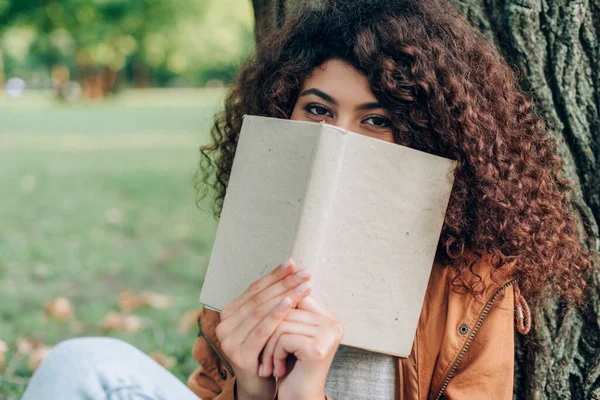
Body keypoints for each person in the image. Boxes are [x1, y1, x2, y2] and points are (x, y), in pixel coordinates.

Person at [22, 0, 592, 399]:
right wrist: (248, 387)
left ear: (427, 134)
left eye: (378, 120)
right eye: (318, 110)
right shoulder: (260, 239)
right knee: (82, 365)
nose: (337, 137)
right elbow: (206, 389)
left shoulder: (474, 281)